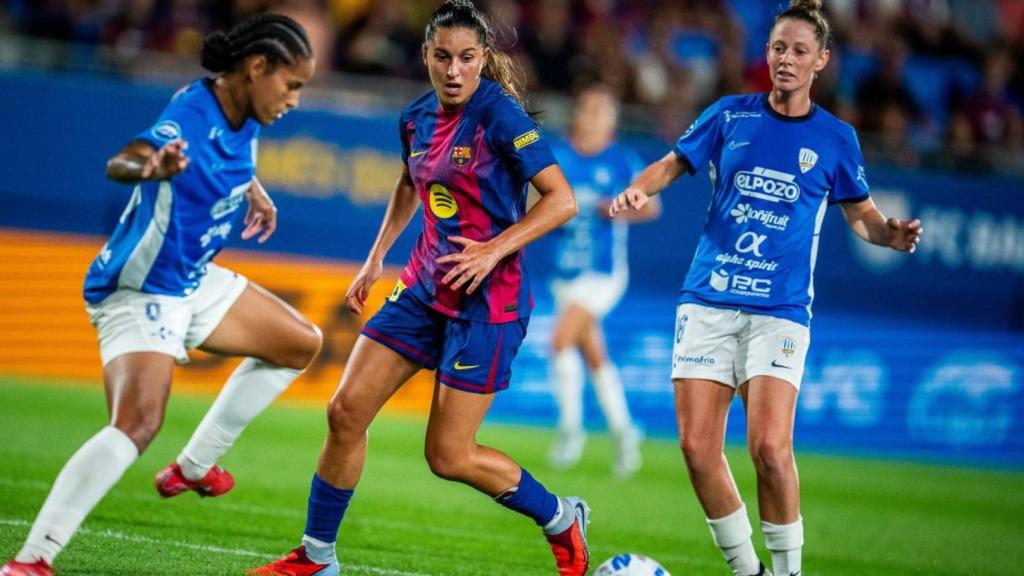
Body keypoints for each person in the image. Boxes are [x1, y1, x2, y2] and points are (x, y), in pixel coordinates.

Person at [248, 2, 588, 576]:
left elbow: (563, 199)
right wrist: (376, 256)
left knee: (448, 456)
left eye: (467, 58)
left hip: (489, 304)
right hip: (424, 288)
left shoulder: (500, 117)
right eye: (442, 57)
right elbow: (411, 180)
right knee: (345, 411)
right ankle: (317, 556)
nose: (454, 70)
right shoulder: (414, 118)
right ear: (426, 56)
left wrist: (492, 248)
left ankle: (560, 516)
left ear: (483, 59)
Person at [1, 13, 321, 576]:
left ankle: (194, 468)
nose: (294, 99)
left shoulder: (241, 110)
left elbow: (226, 153)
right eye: (291, 85)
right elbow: (122, 161)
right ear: (256, 68)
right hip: (140, 288)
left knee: (300, 343)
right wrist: (152, 165)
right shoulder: (189, 117)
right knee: (138, 423)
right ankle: (32, 560)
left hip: (191, 278)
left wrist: (253, 189)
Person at [608, 1, 922, 575]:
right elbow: (672, 164)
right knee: (697, 449)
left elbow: (863, 218)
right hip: (707, 298)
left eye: (800, 50)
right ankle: (748, 571)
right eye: (779, 47)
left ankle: (787, 572)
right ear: (767, 52)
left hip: (778, 311)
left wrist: (890, 235)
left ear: (821, 61)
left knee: (770, 451)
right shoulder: (730, 115)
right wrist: (638, 189)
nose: (786, 59)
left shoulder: (837, 138)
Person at [546, 83, 660, 478]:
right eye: (588, 109)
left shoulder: (621, 161)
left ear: (613, 121)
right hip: (564, 270)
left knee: (559, 340)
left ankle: (570, 431)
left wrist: (616, 207)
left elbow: (651, 208)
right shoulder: (557, 155)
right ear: (577, 113)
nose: (593, 118)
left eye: (602, 112)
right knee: (594, 356)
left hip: (603, 273)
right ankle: (626, 434)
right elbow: (534, 200)